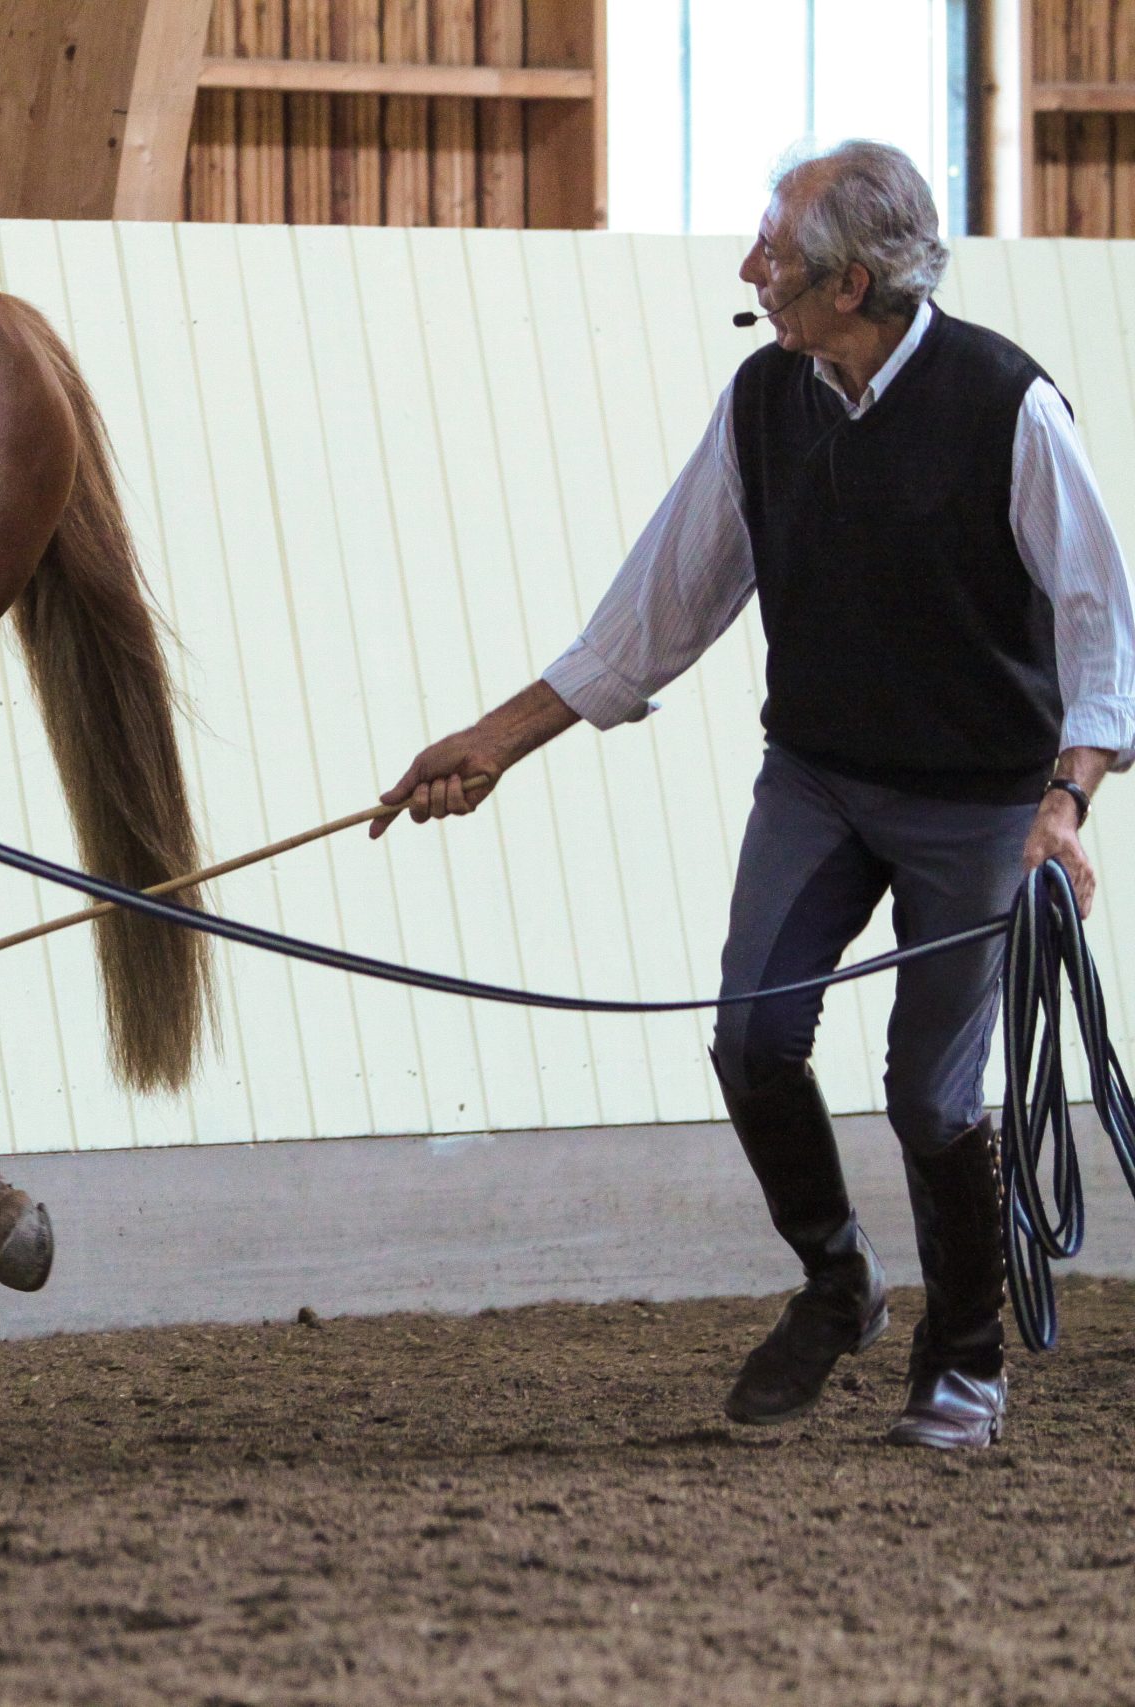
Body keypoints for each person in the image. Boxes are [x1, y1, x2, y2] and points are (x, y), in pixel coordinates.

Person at [377, 140, 1135, 1450]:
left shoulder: (1007, 406)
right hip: (822, 783)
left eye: (773, 254)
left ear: (851, 286)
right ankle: (839, 1278)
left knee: (932, 1096)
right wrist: (493, 743)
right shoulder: (764, 401)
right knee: (750, 1038)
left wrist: (1065, 805)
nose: (749, 271)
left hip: (981, 807)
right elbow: (655, 613)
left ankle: (963, 1365)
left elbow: (1101, 627)